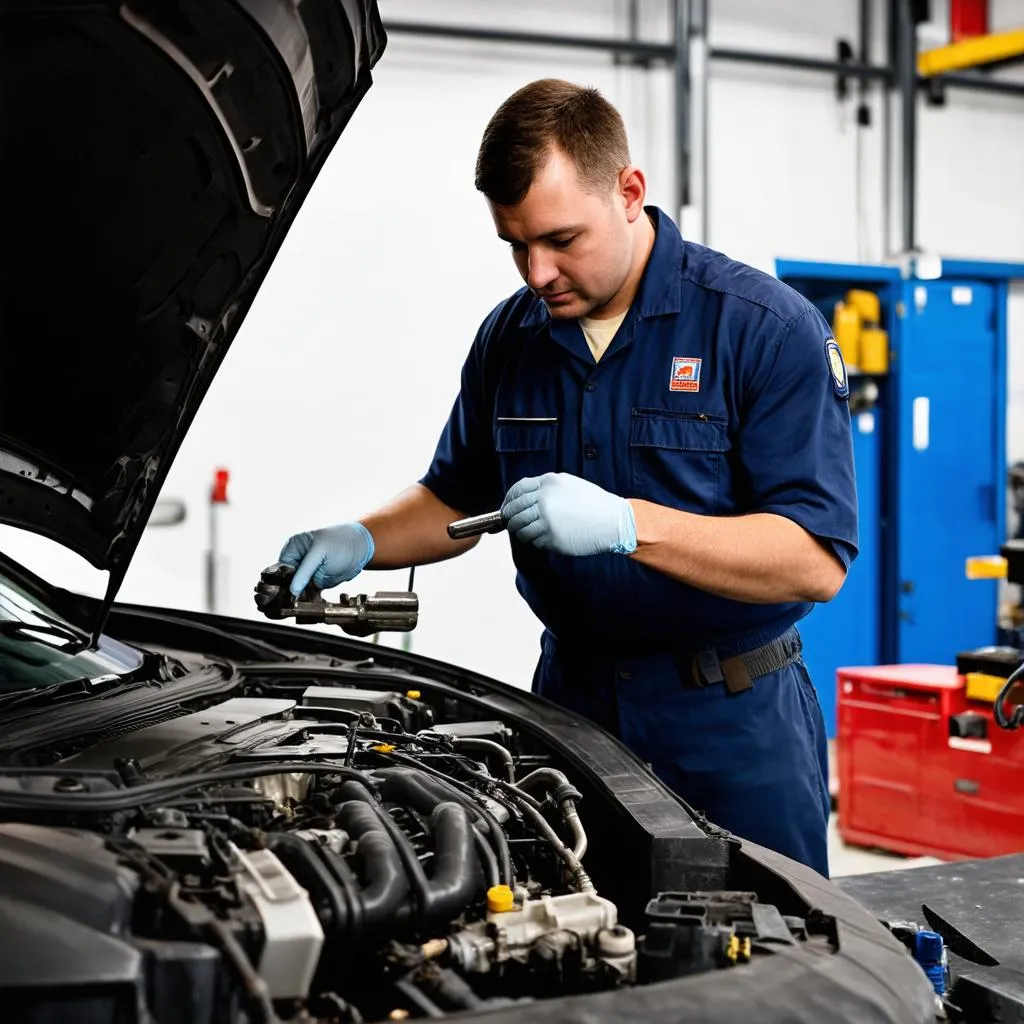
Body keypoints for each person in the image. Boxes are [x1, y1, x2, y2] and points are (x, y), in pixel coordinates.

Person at [275, 79, 858, 877]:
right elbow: (455, 495)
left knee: (772, 962)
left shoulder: (761, 329)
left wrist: (628, 524)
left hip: (732, 720)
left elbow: (813, 559)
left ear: (629, 192)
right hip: (572, 712)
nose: (537, 271)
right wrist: (362, 538)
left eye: (560, 239)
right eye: (515, 245)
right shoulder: (511, 339)